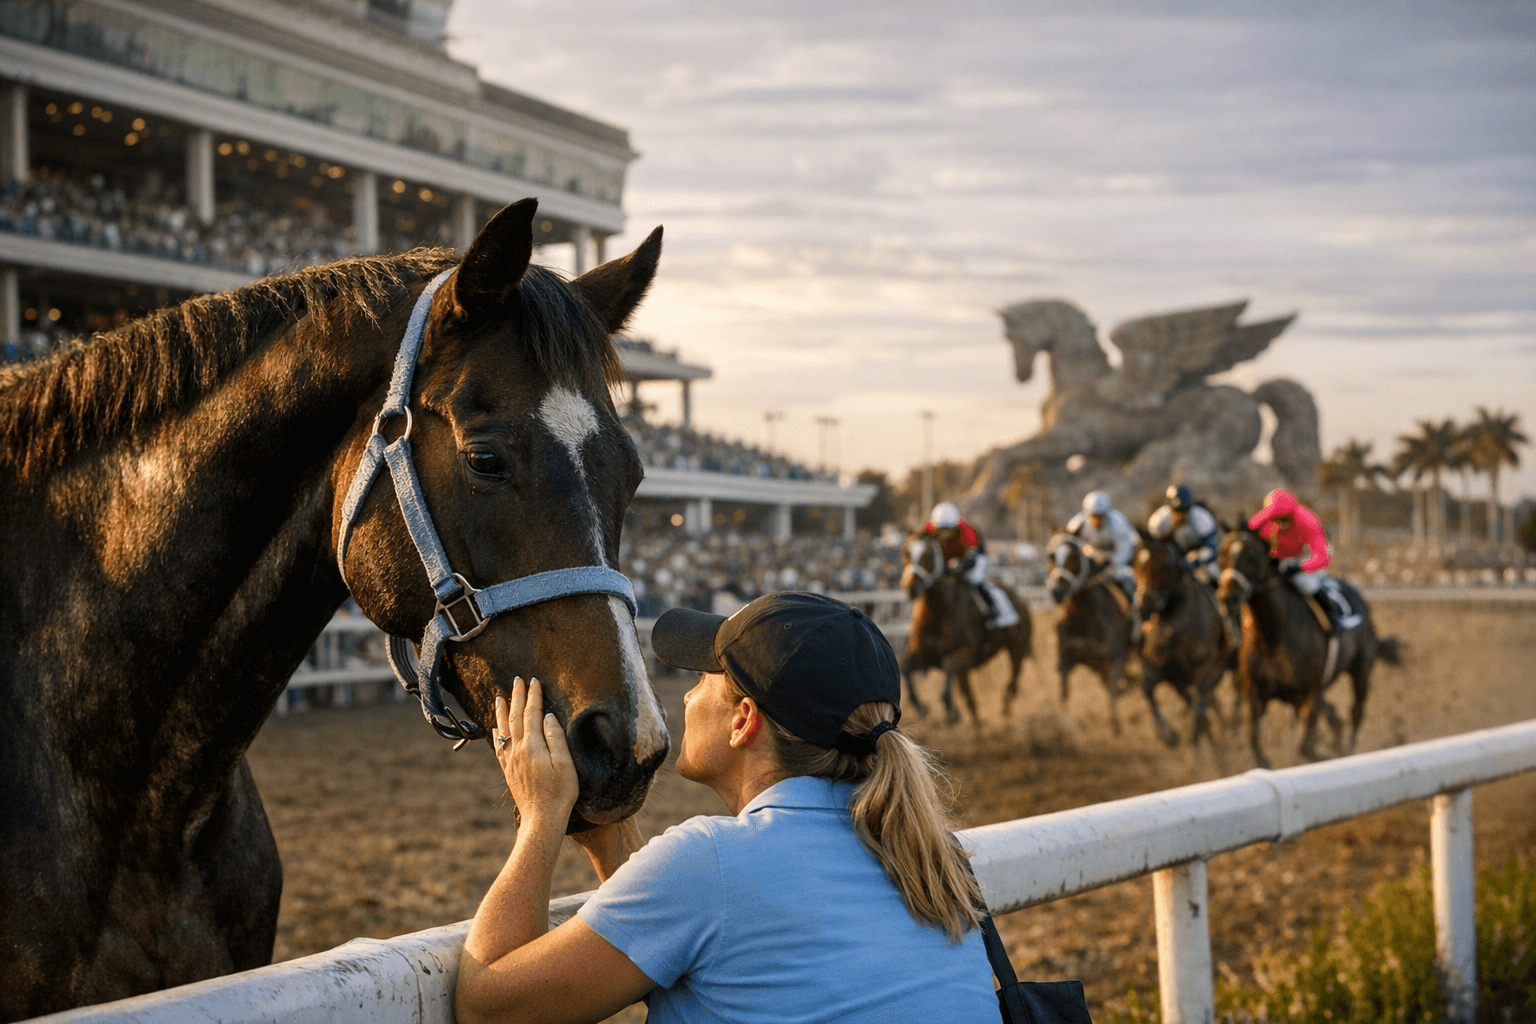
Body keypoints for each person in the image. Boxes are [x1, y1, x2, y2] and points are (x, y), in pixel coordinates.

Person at [455, 592, 998, 1024]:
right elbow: (732, 967)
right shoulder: (925, 854)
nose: (687, 698)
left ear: (743, 720)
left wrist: (541, 816)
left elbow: (486, 1007)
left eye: (699, 680)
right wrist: (613, 843)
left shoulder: (708, 860)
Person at [1247, 488, 1360, 629]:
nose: (1280, 524)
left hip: (1303, 556)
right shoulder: (1260, 521)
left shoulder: (1307, 520)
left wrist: (1299, 567)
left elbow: (1324, 557)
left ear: (1291, 514)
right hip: (1276, 558)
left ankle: (1335, 614)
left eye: (1284, 519)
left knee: (1305, 583)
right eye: (1276, 519)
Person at [923, 501, 1018, 627]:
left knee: (974, 579)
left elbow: (971, 561)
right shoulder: (928, 530)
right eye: (941, 530)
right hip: (950, 558)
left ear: (955, 525)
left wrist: (960, 566)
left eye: (948, 529)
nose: (944, 534)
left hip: (976, 558)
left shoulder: (969, 532)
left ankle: (993, 608)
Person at [1064, 490, 1139, 595]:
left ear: (1106, 514)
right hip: (1092, 557)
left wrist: (1110, 561)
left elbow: (1125, 550)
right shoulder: (1077, 525)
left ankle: (1131, 603)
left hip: (1115, 560)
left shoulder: (1118, 523)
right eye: (1093, 516)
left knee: (1124, 575)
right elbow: (1069, 546)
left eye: (1100, 517)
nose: (1096, 521)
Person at [1147, 484, 1220, 586]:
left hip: (1199, 555)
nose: (1180, 514)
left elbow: (1212, 547)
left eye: (1183, 510)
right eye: (1176, 510)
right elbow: (1154, 546)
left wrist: (1195, 561)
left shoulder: (1201, 517)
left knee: (1214, 572)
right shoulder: (1159, 521)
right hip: (1174, 555)